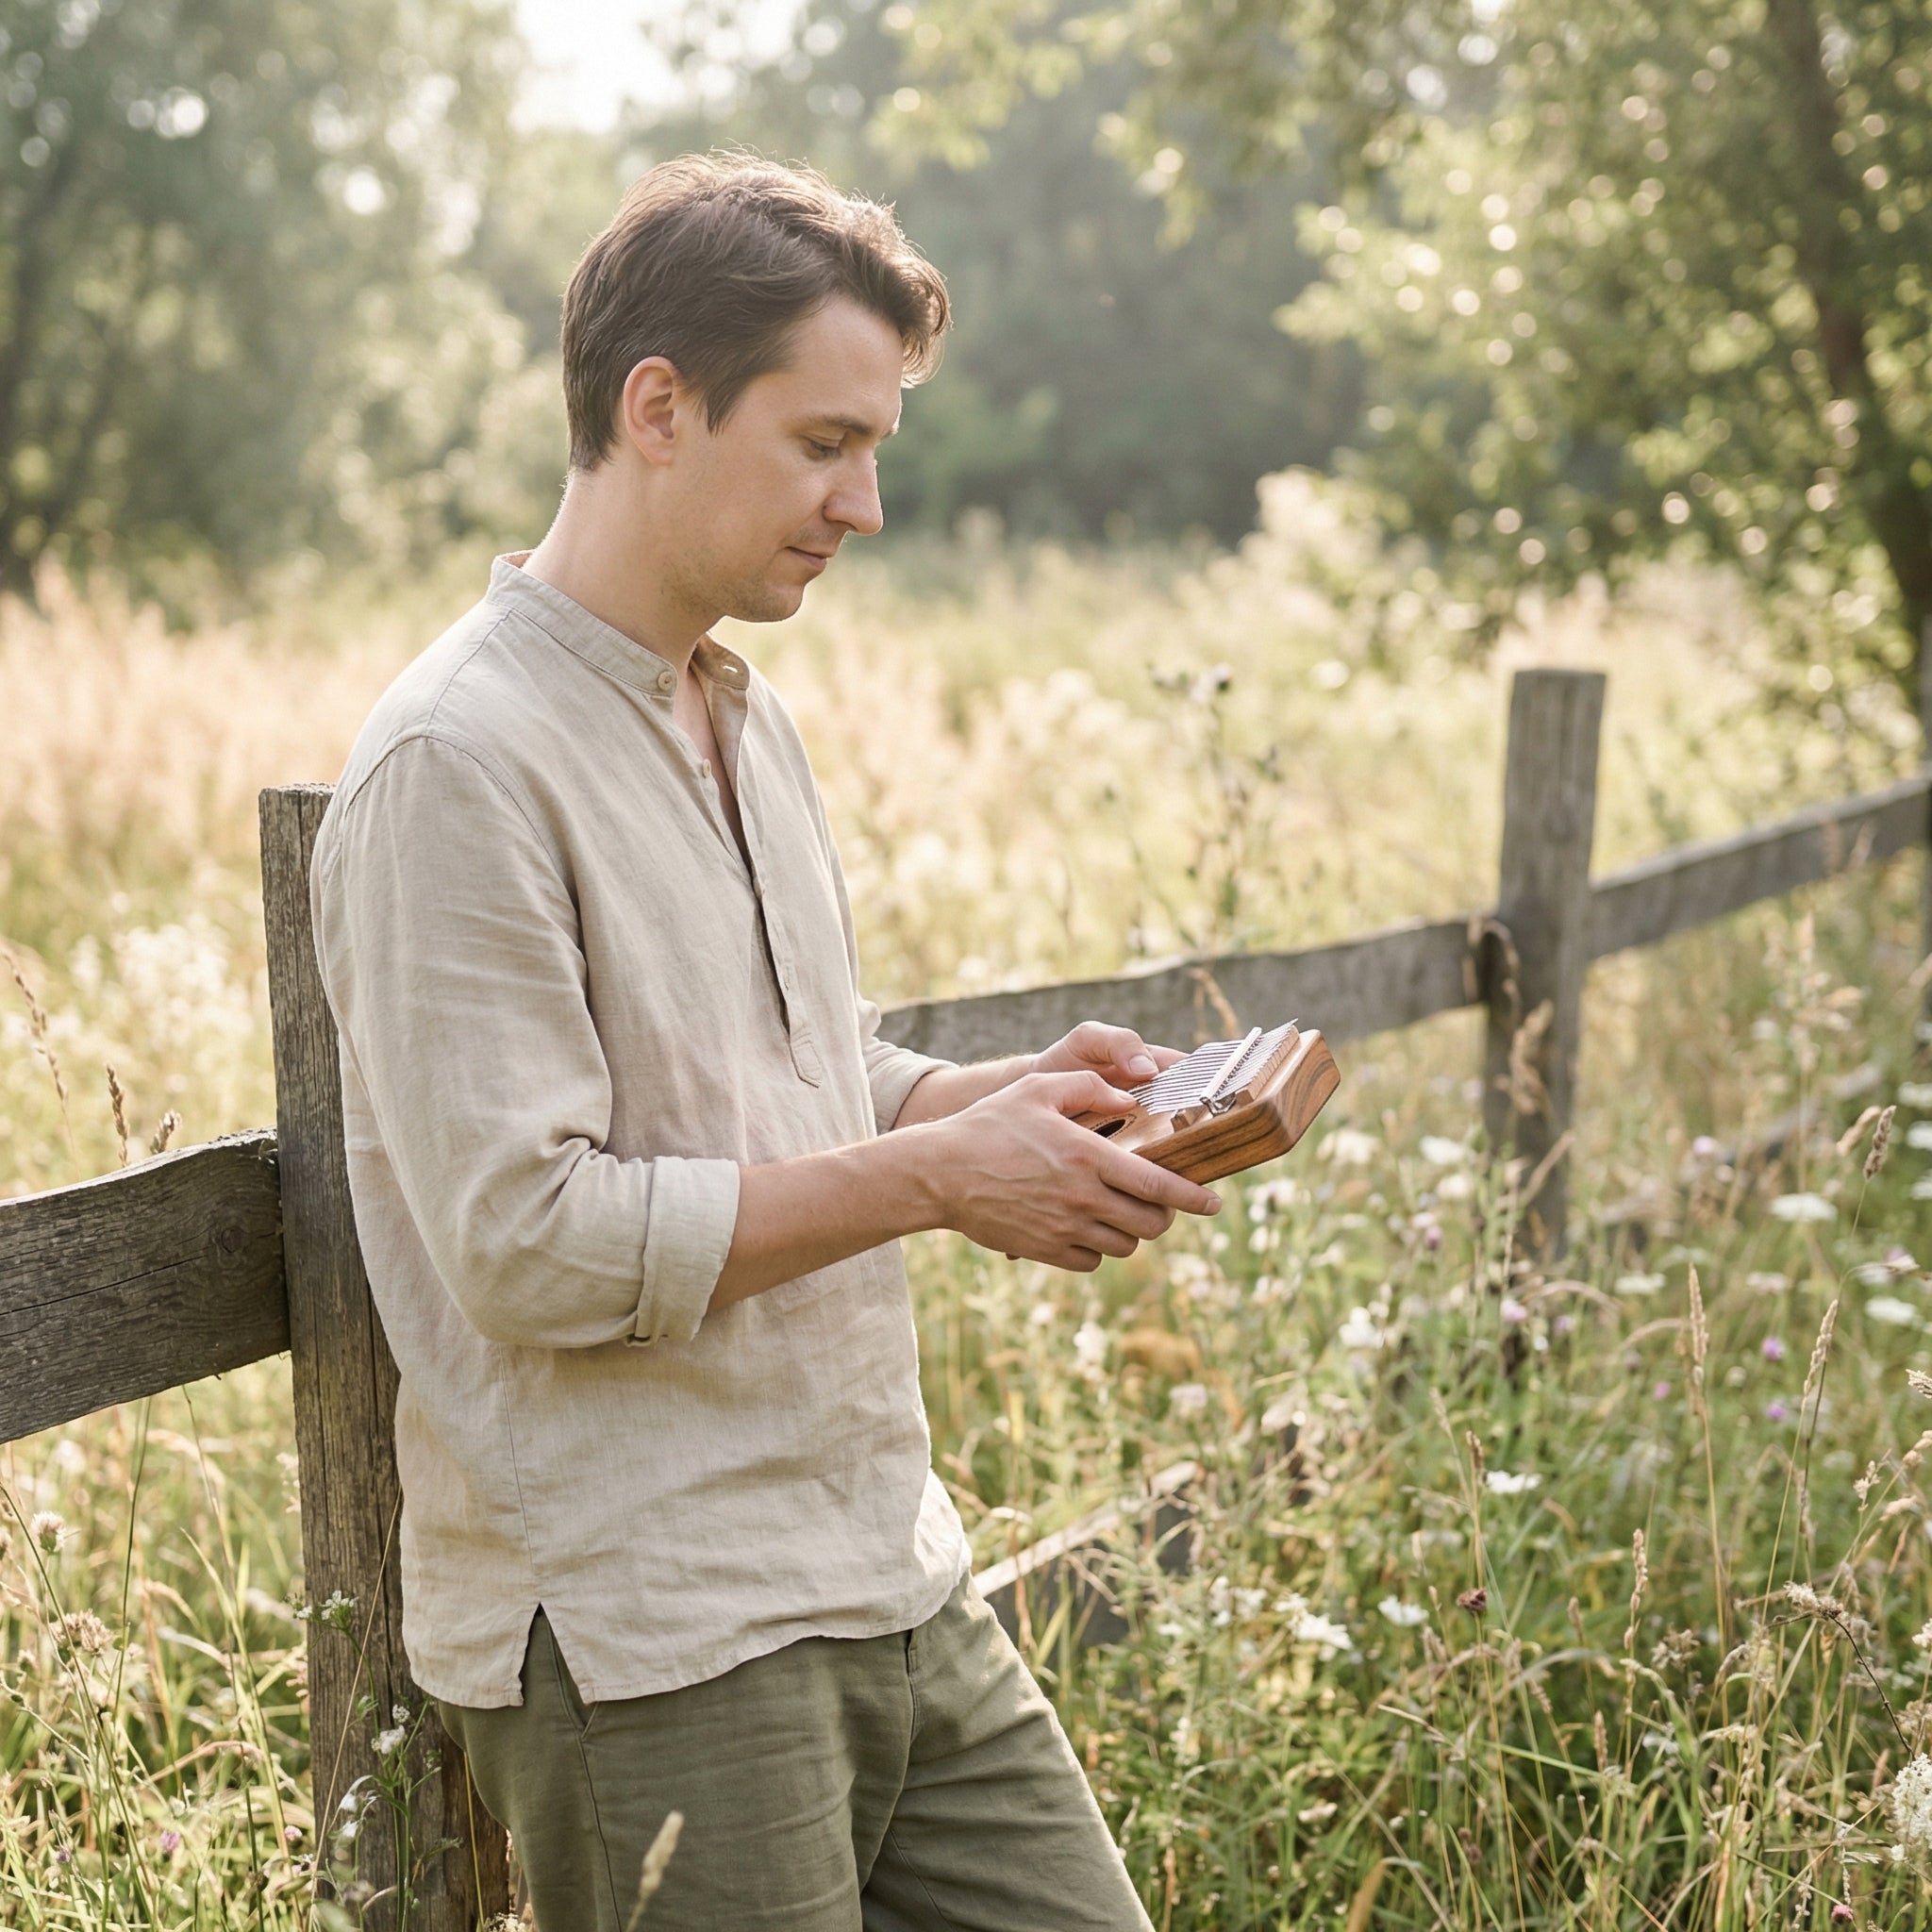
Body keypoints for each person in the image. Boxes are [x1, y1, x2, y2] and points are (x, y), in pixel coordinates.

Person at [311, 152, 1219, 1931]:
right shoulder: (455, 766)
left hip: (884, 1560)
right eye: (822, 444)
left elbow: (802, 1082)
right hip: (656, 1629)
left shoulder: (745, 713)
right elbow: (527, 1242)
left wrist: (982, 1104)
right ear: (658, 407)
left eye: (872, 445)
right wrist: (935, 1178)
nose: (864, 502)